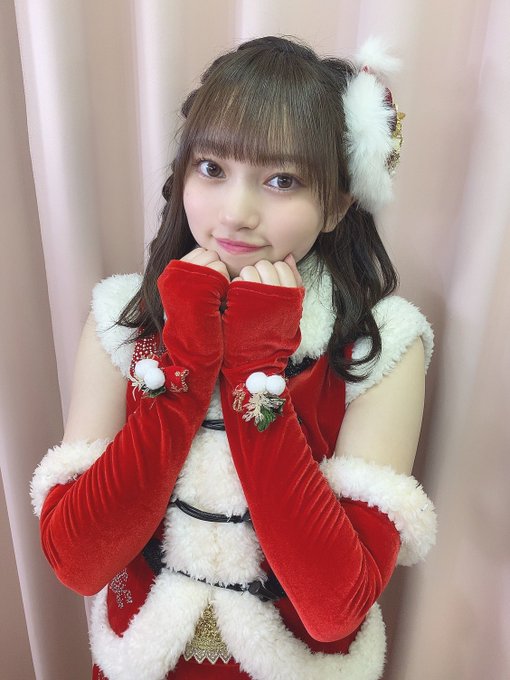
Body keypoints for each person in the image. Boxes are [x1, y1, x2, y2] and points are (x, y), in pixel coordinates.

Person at [30, 35, 437, 680]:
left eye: (281, 180)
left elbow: (336, 606)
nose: (236, 213)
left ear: (338, 204)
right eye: (212, 168)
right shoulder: (121, 318)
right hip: (140, 661)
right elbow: (79, 562)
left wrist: (255, 371)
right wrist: (187, 361)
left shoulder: (381, 343)